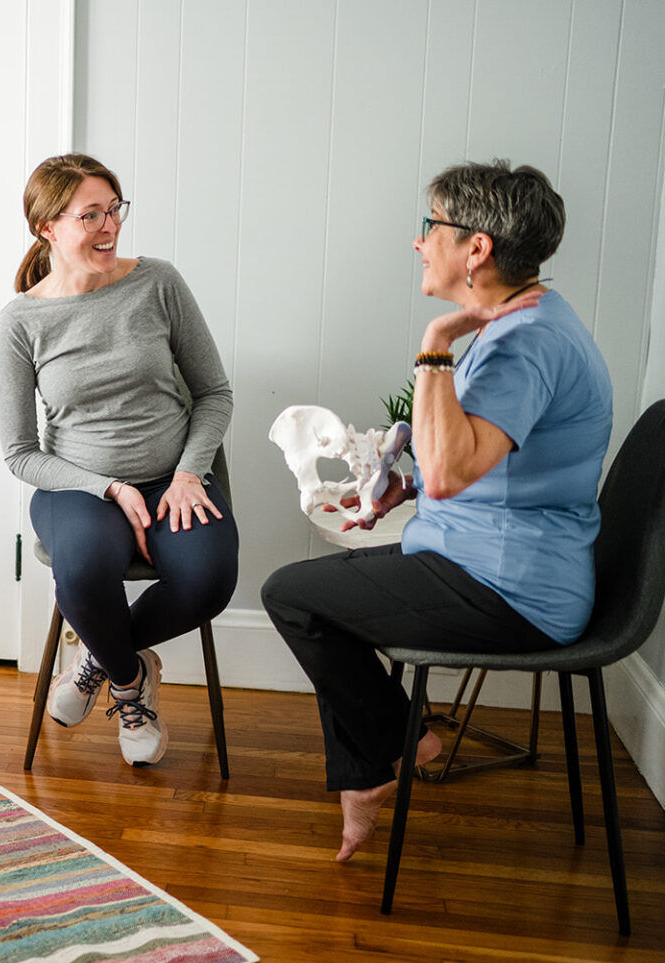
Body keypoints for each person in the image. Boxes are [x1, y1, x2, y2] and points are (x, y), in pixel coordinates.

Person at [261, 160, 612, 862]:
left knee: (292, 595)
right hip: (490, 557)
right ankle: (369, 773)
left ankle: (401, 744)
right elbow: (476, 458)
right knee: (327, 595)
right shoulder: (531, 319)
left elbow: (455, 469)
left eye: (431, 227)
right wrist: (409, 485)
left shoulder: (523, 344)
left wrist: (433, 345)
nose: (419, 243)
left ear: (474, 247)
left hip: (511, 587)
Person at [0, 153, 238, 768]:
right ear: (47, 226)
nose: (109, 226)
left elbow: (214, 393)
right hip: (78, 487)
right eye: (90, 215)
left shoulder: (158, 283)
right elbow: (21, 454)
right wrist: (110, 489)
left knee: (209, 577)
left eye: (114, 209)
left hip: (174, 479)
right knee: (80, 570)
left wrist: (187, 473)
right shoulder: (20, 321)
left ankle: (100, 658)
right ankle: (131, 685)